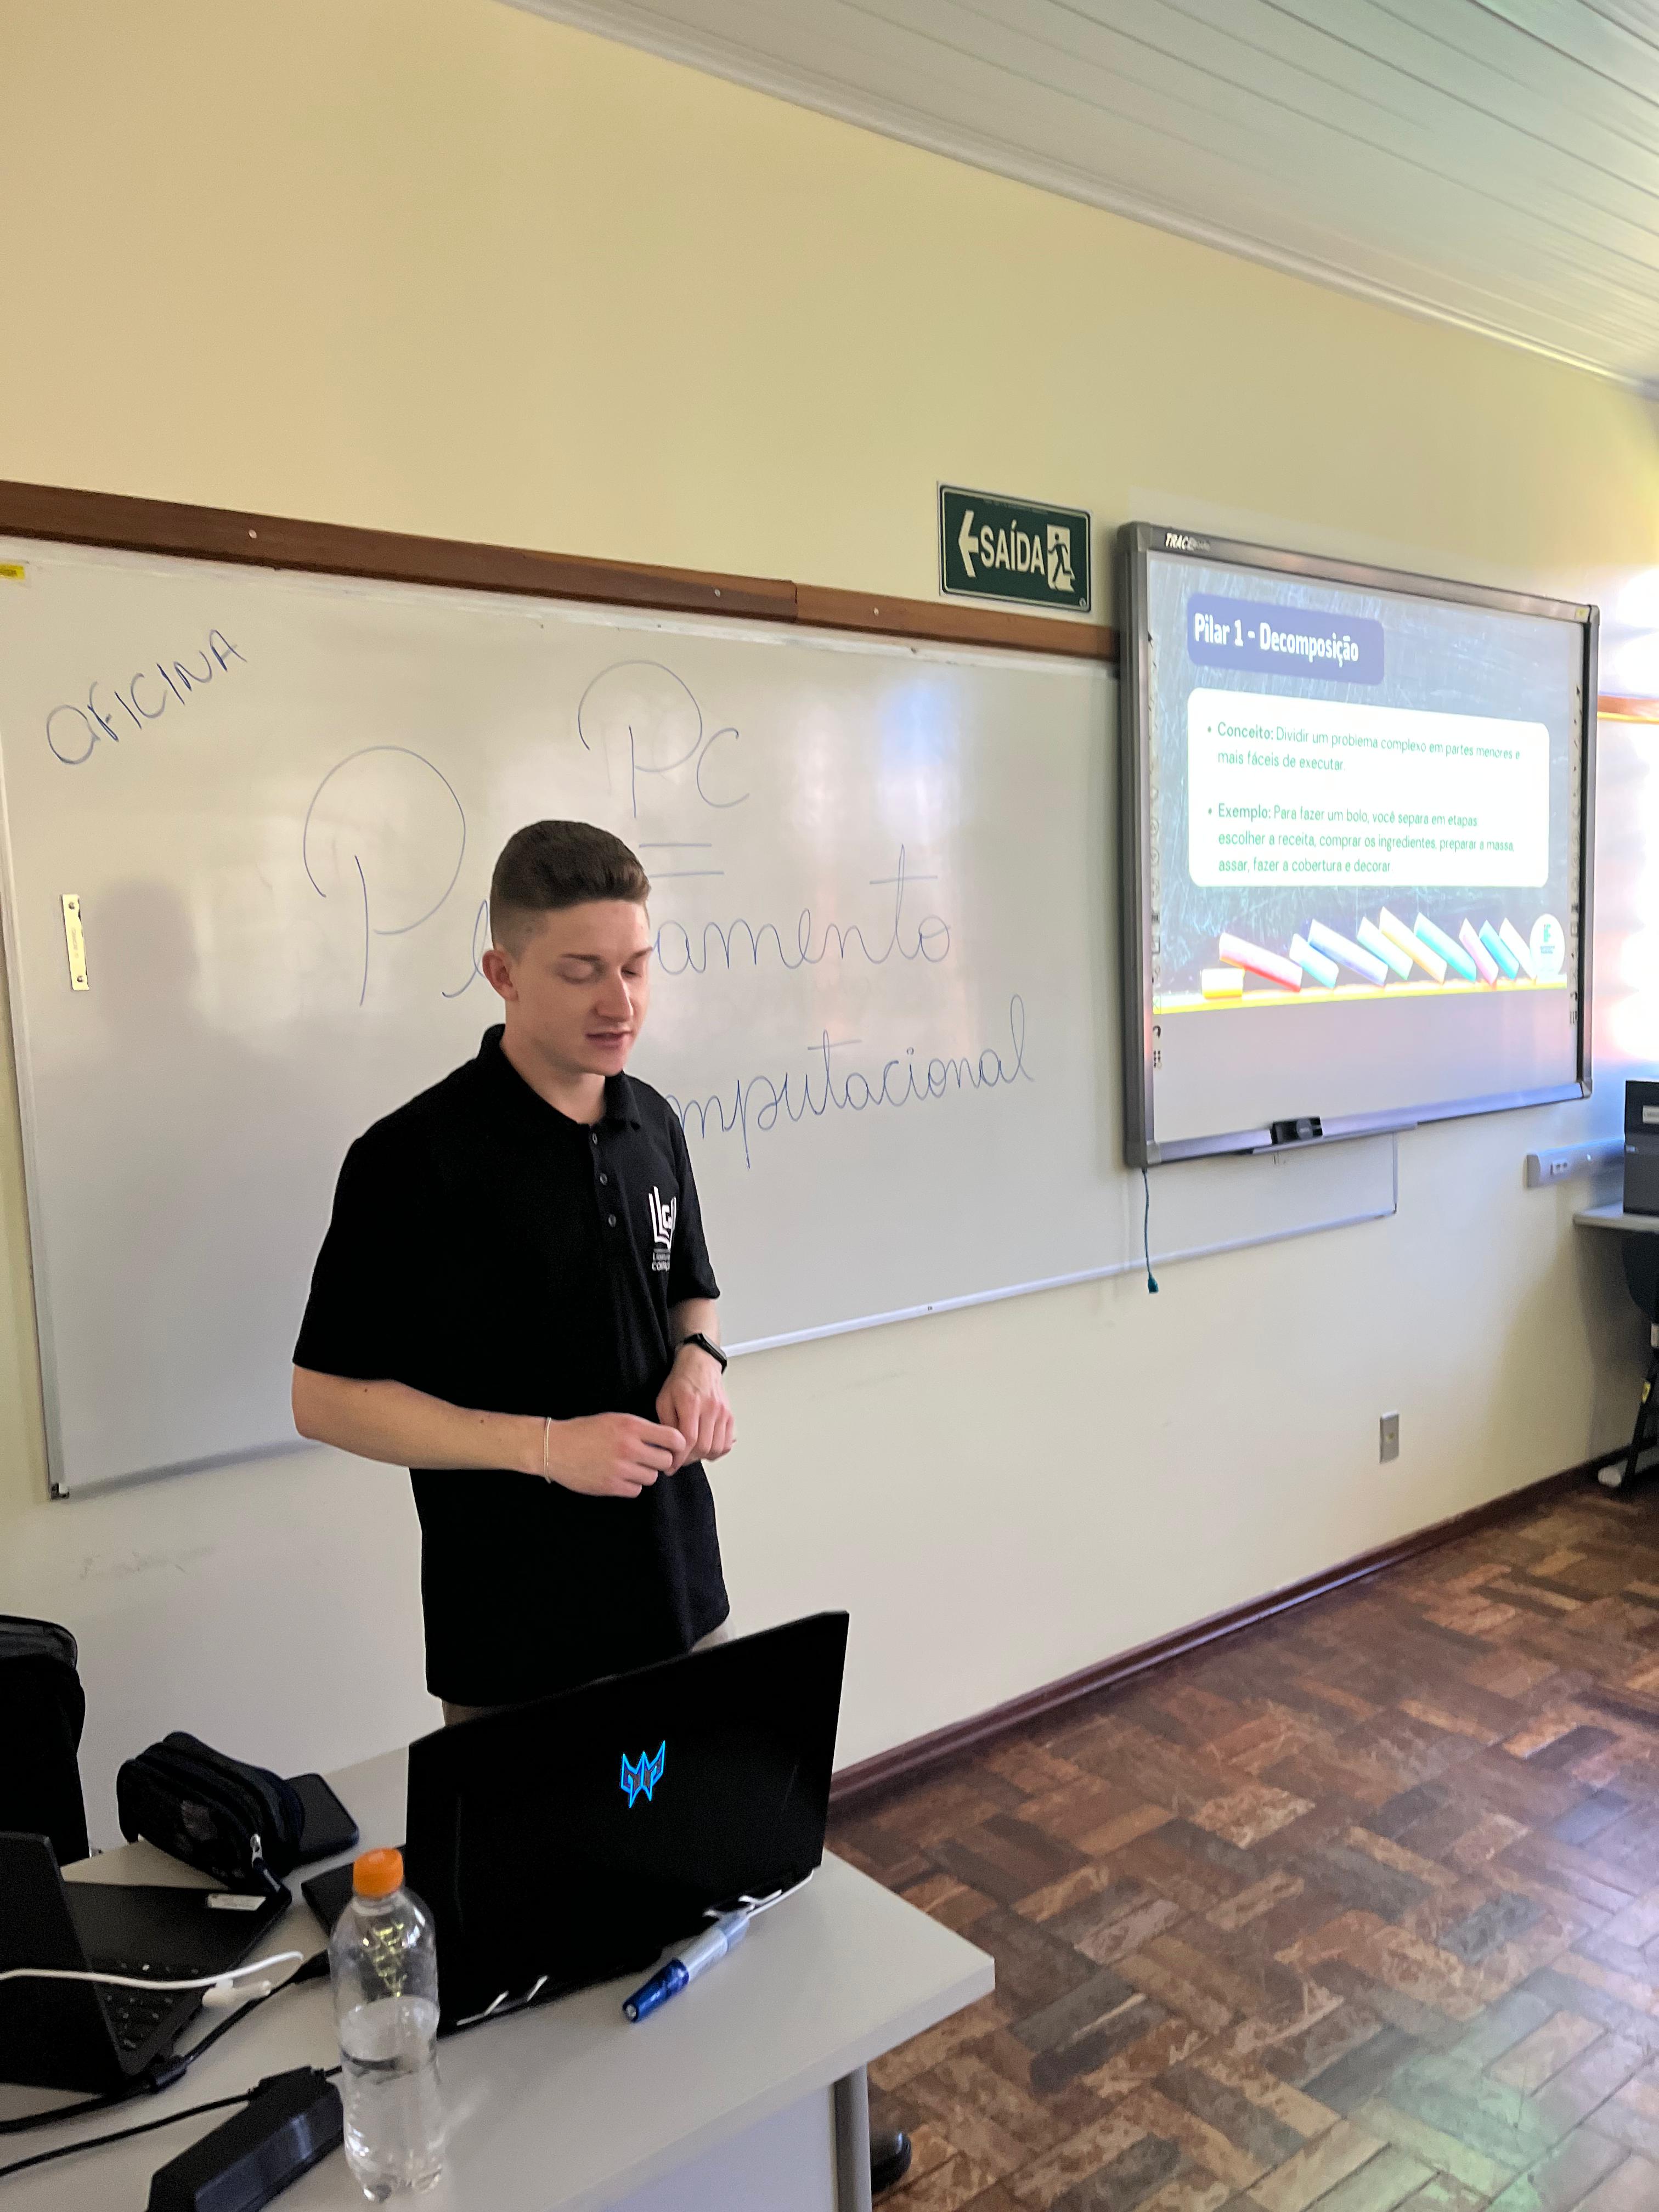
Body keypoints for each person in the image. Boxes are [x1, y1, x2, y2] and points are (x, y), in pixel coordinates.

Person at [291, 820, 733, 1720]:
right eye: (581, 972)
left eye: (636, 968)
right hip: (516, 1635)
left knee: (718, 1808)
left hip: (681, 1593)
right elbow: (324, 1400)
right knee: (532, 1822)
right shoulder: (410, 1159)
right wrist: (547, 1449)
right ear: (503, 974)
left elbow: (690, 1291)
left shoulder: (655, 1123)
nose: (620, 1003)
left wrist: (699, 1363)